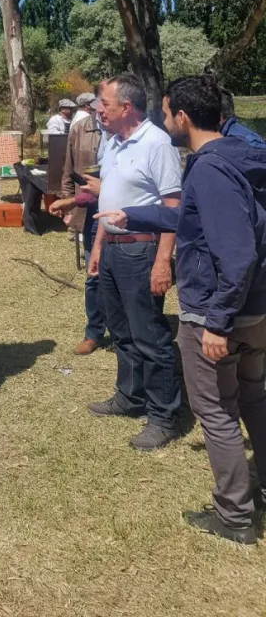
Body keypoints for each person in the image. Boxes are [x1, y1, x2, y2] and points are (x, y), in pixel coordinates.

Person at [98, 75, 266, 544]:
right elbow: (190, 216)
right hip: (255, 310)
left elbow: (237, 255)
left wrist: (217, 322)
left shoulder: (210, 170)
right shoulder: (237, 157)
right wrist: (134, 214)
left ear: (184, 118)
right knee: (254, 398)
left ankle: (235, 516)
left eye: (168, 112)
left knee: (215, 411)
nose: (164, 119)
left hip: (218, 313)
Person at [86, 74, 182, 450]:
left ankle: (162, 416)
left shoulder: (156, 144)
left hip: (140, 251)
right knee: (121, 331)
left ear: (127, 108)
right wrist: (98, 247)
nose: (99, 111)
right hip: (112, 248)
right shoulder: (114, 142)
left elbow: (172, 207)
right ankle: (130, 395)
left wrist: (162, 262)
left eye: (105, 105)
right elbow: (108, 200)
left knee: (149, 335)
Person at [51, 89, 109, 354]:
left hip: (118, 212)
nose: (101, 112)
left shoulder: (122, 132)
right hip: (89, 210)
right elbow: (68, 168)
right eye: (97, 107)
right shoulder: (80, 128)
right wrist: (68, 203)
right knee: (93, 274)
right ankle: (94, 332)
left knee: (118, 274)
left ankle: (123, 329)